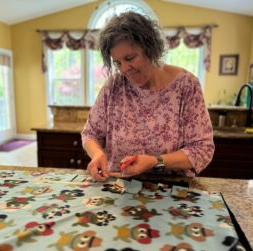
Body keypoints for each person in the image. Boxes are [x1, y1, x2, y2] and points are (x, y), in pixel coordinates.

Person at [81, 11, 214, 182]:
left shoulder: (186, 85)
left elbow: (202, 149)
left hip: (170, 191)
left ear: (150, 48)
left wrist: (155, 161)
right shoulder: (113, 86)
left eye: (130, 58)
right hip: (119, 189)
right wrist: (97, 154)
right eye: (118, 62)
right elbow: (90, 133)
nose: (124, 69)